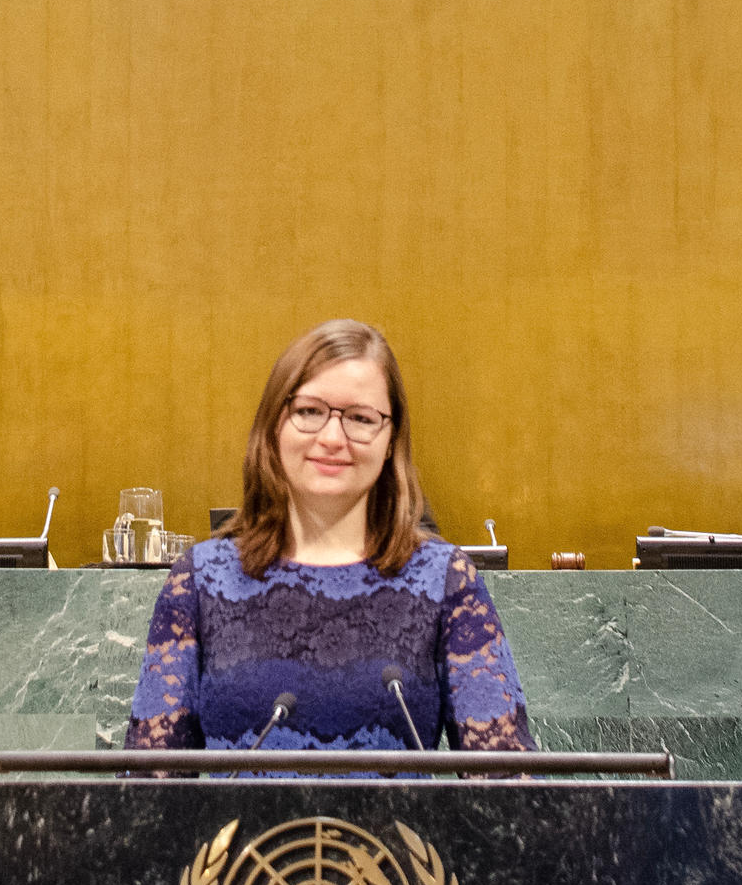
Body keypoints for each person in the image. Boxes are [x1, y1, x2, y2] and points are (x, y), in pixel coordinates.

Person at [124, 318, 533, 753]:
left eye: (360, 418)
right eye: (309, 412)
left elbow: (505, 785)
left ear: (391, 438)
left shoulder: (445, 579)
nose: (333, 438)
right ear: (273, 425)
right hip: (244, 826)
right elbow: (149, 784)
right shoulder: (201, 579)